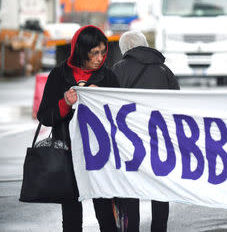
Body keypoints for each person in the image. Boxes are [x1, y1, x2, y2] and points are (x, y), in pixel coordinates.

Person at [37, 25, 119, 232]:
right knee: (72, 217)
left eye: (103, 52)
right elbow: (45, 117)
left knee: (106, 215)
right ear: (81, 52)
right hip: (68, 155)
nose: (100, 58)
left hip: (101, 157)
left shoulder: (108, 77)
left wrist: (103, 99)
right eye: (94, 53)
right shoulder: (58, 75)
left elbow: (122, 117)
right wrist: (64, 102)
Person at [111, 30, 180, 232]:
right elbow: (177, 105)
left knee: (130, 189)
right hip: (160, 141)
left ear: (124, 49)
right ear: (146, 45)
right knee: (160, 190)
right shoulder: (164, 70)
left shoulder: (117, 70)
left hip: (128, 143)